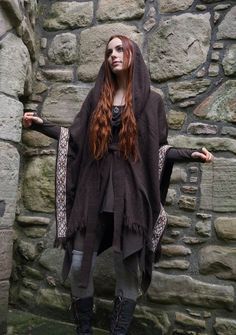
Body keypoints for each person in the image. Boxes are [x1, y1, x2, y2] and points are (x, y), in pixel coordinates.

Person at [23, 35, 213, 335]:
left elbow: (159, 149)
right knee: (77, 265)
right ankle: (84, 327)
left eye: (120, 49)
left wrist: (191, 154)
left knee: (127, 269)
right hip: (93, 192)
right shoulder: (97, 98)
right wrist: (41, 124)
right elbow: (74, 139)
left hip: (130, 196)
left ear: (132, 54)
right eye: (109, 51)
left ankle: (118, 331)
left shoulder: (152, 102)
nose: (113, 55)